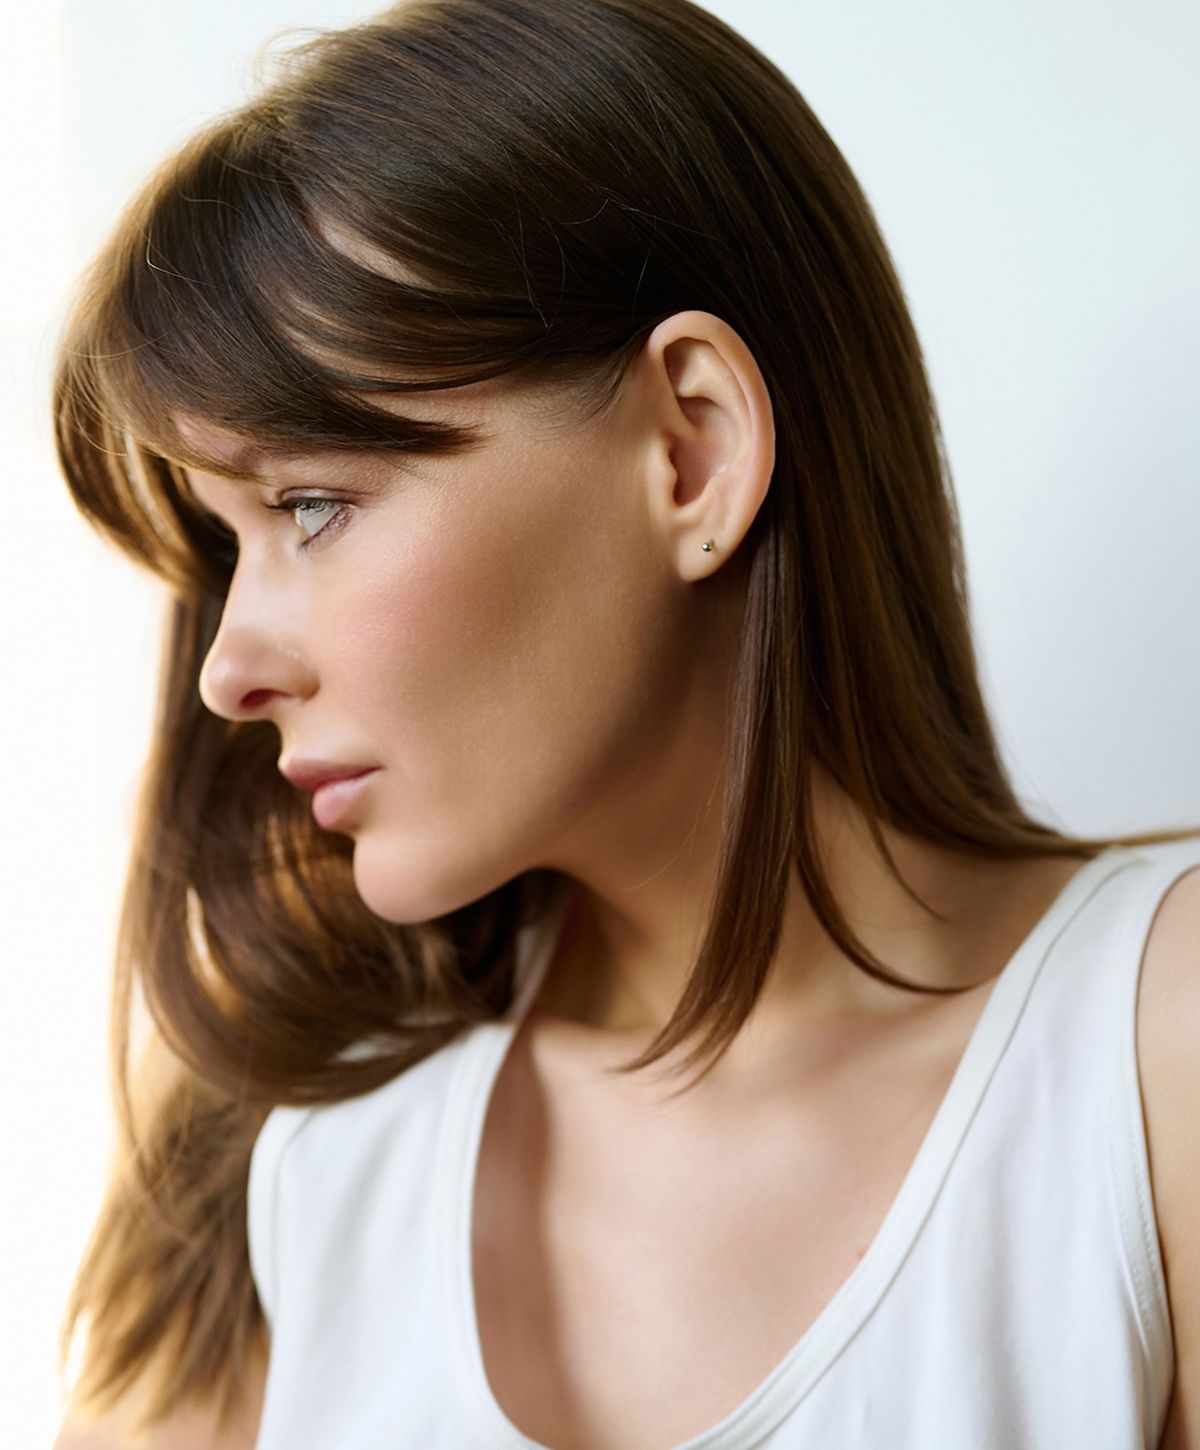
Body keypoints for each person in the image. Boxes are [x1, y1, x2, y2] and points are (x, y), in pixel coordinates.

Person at [49, 0, 1200, 1446]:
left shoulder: (1153, 1064)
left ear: (691, 451)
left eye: (311, 504)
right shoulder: (299, 1147)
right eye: (224, 547)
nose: (227, 668)